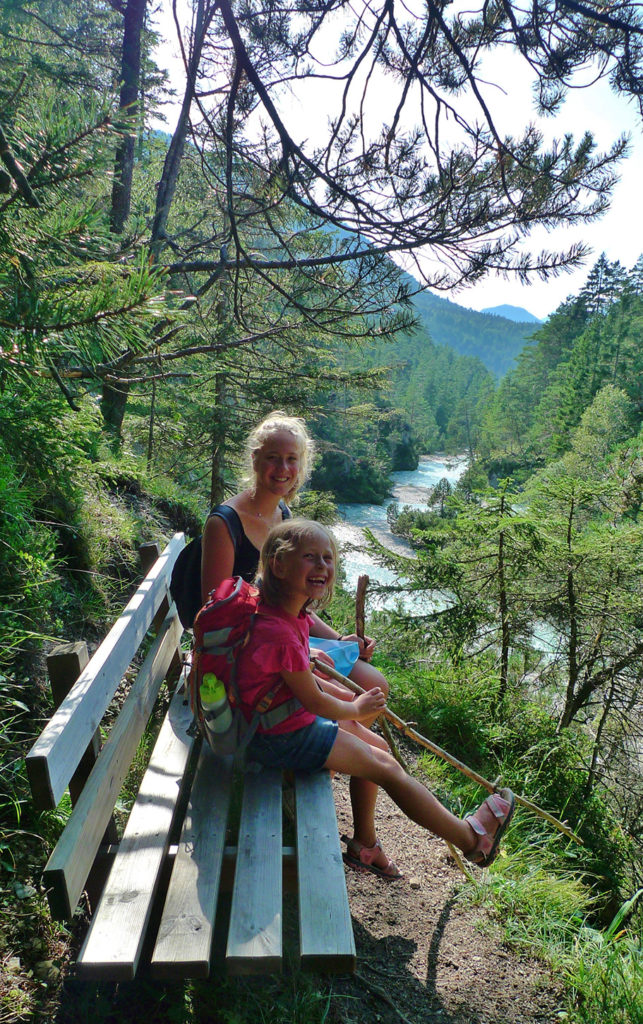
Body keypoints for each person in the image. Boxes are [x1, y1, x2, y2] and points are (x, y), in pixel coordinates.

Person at [235, 518, 516, 877]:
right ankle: (473, 840)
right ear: (278, 564)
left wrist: (349, 703)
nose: (323, 566)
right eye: (310, 557)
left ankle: (364, 845)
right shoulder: (282, 632)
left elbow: (296, 684)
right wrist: (355, 706)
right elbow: (314, 702)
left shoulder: (287, 614)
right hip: (274, 739)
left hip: (269, 723)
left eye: (328, 558)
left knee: (380, 750)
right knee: (384, 768)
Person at [201, 411, 389, 708]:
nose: (283, 468)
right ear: (255, 459)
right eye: (273, 457)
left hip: (286, 639)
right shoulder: (225, 524)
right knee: (346, 693)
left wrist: (339, 639)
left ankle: (328, 745)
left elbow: (287, 599)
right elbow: (214, 616)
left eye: (292, 459)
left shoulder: (283, 517)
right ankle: (313, 746)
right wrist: (298, 651)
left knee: (375, 683)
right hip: (248, 650)